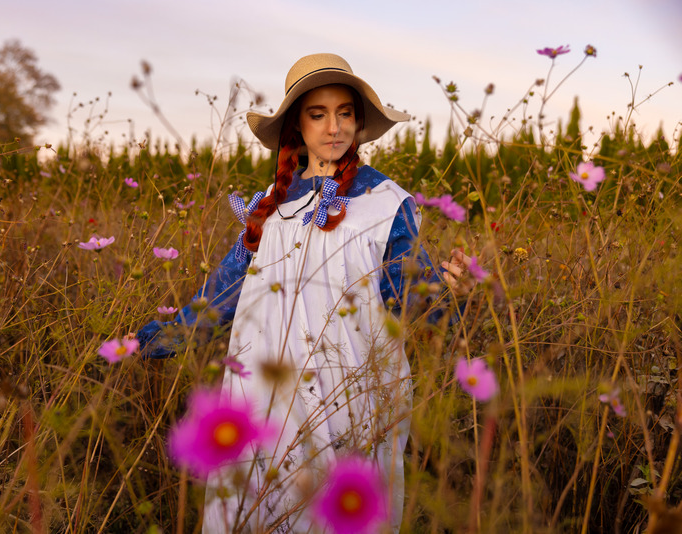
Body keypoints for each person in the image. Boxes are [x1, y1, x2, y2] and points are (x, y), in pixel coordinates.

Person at [138, 53, 476, 533]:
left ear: (359, 122)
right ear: (298, 125)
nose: (333, 127)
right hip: (263, 398)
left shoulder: (387, 204)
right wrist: (152, 340)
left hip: (351, 394)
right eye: (318, 114)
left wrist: (448, 295)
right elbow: (222, 298)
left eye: (344, 113)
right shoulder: (271, 209)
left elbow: (411, 303)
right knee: (259, 511)